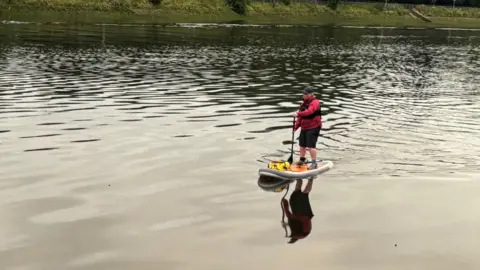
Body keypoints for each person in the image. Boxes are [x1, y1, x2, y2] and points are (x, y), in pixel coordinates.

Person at [293, 87, 322, 169]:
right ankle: (302, 160)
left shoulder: (315, 102)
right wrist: (295, 128)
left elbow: (310, 112)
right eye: (303, 93)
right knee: (302, 144)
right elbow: (300, 118)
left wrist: (298, 113)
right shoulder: (303, 104)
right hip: (304, 127)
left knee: (311, 146)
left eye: (305, 94)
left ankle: (314, 163)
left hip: (314, 126)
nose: (304, 95)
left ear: (310, 95)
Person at [281, 178, 314, 244]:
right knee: (302, 193)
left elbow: (288, 213)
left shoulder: (295, 227)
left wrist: (284, 203)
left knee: (300, 193)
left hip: (301, 212)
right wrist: (284, 203)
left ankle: (301, 179)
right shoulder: (301, 232)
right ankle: (307, 179)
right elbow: (288, 214)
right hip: (302, 212)